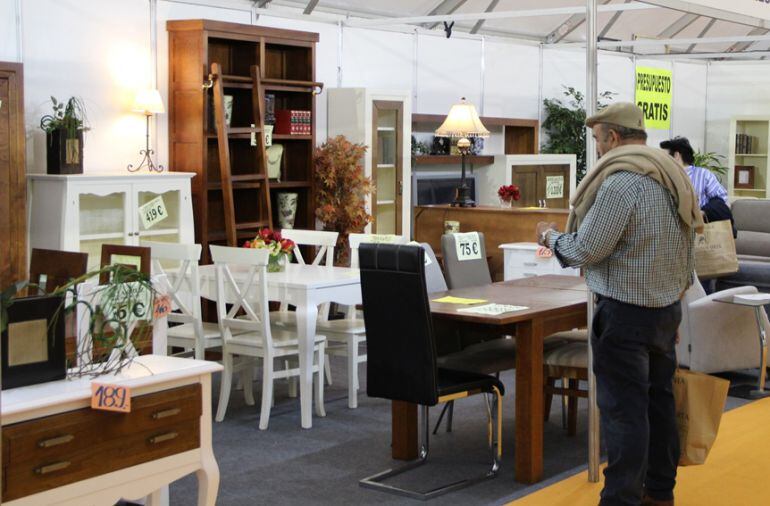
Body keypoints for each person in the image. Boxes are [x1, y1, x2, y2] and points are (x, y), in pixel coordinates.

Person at [536, 103, 704, 506]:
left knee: (624, 415)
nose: (596, 150)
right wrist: (673, 302)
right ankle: (660, 493)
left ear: (612, 137)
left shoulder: (620, 183)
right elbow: (687, 249)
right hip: (665, 311)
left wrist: (548, 236)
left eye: (596, 140)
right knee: (658, 405)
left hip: (625, 315)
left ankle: (621, 499)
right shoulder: (672, 174)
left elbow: (585, 249)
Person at [660, 136, 735, 237]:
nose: (661, 161)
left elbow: (722, 200)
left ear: (676, 155)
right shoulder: (663, 177)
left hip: (700, 231)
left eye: (664, 157)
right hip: (669, 232)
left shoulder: (703, 175)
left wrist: (702, 213)